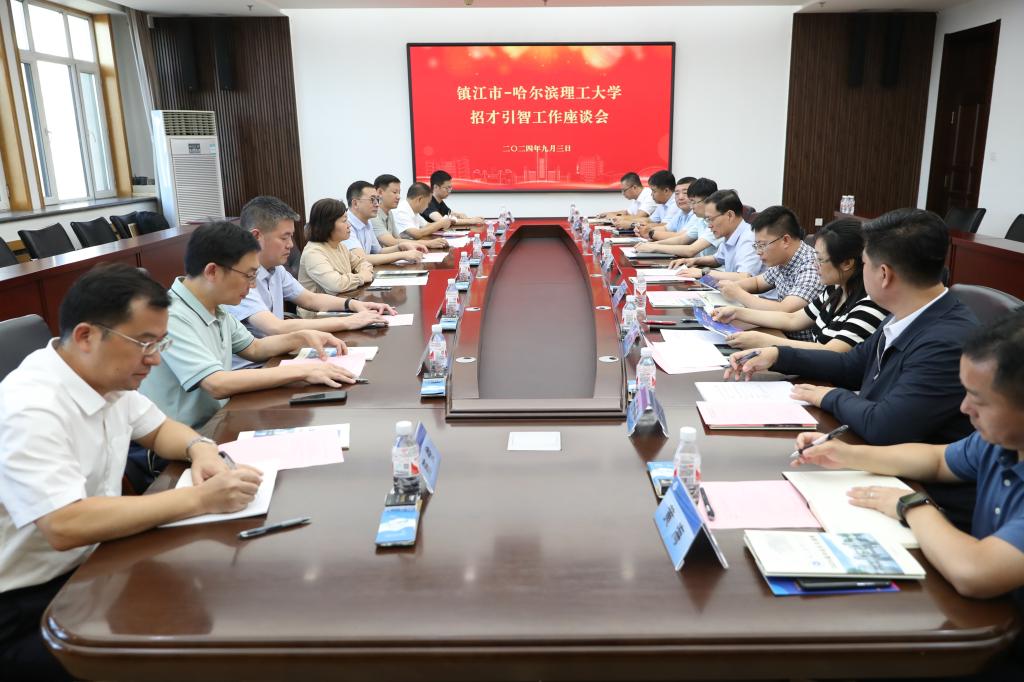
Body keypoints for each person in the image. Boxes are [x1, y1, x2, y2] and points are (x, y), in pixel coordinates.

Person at [0, 263, 262, 681]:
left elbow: (159, 430)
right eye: (144, 343)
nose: (155, 359)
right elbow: (64, 524)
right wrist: (199, 499)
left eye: (160, 342)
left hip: (98, 562)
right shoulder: (30, 407)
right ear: (86, 336)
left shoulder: (105, 376)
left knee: (226, 601)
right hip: (29, 603)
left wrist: (200, 448)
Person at [792, 310, 1024, 632]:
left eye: (979, 400)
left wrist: (913, 505)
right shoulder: (1001, 441)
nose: (964, 408)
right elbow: (938, 460)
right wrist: (848, 454)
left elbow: (975, 572)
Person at [726, 208, 978, 448]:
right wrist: (777, 355)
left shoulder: (945, 342)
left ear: (884, 274)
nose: (860, 270)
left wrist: (829, 396)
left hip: (906, 471)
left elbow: (885, 426)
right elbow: (851, 364)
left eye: (864, 263)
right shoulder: (906, 314)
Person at [141, 222, 358, 431]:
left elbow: (254, 348)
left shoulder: (215, 306)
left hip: (220, 419)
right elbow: (216, 384)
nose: (253, 285)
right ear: (212, 272)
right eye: (249, 275)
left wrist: (301, 336)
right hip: (188, 436)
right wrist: (303, 371)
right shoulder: (171, 316)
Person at [226, 195, 394, 341]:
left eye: (291, 237)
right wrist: (348, 321)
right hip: (260, 362)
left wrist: (354, 305)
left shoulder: (276, 269)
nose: (290, 245)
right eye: (284, 238)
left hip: (278, 350)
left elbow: (310, 299)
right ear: (256, 236)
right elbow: (275, 327)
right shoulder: (238, 277)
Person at [713, 218, 888, 352]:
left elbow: (832, 352)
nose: (815, 265)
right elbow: (793, 319)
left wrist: (767, 342)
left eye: (820, 259)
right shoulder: (835, 290)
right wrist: (736, 312)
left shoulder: (870, 305)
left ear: (847, 263)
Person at [713, 207, 823, 338]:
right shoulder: (783, 260)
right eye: (756, 246)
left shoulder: (812, 267)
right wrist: (732, 287)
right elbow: (757, 283)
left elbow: (784, 310)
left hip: (797, 342)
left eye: (762, 245)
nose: (758, 252)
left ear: (785, 240)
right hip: (779, 330)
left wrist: (738, 293)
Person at [670, 189, 763, 281]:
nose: (709, 225)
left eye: (711, 219)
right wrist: (693, 260)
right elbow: (717, 259)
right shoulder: (731, 234)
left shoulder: (749, 238)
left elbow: (744, 277)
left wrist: (703, 272)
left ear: (730, 215)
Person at [298, 198, 373, 299]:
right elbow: (336, 284)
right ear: (327, 225)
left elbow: (361, 262)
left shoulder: (340, 246)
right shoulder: (313, 253)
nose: (349, 225)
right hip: (319, 308)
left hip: (343, 302)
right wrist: (362, 277)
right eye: (344, 221)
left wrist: (364, 271)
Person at [342, 181, 429, 266]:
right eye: (372, 200)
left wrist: (400, 247)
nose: (377, 204)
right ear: (355, 203)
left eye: (377, 199)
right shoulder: (345, 224)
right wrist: (402, 255)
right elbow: (361, 259)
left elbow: (378, 251)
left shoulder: (367, 222)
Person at [635, 177, 722, 259]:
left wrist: (654, 247)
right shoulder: (701, 219)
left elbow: (691, 250)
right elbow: (681, 239)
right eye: (677, 193)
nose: (691, 206)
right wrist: (651, 245)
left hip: (712, 268)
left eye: (694, 202)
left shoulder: (717, 222)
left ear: (708, 201)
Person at [370, 174, 445, 250]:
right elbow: (391, 242)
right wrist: (427, 243)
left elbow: (397, 239)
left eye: (399, 193)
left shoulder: (389, 213)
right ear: (380, 192)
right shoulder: (373, 215)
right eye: (395, 192)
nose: (398, 196)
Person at [642, 175, 697, 242]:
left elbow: (680, 237)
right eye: (677, 193)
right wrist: (645, 230)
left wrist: (650, 233)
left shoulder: (697, 215)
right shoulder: (680, 212)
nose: (680, 197)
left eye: (685, 193)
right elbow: (666, 228)